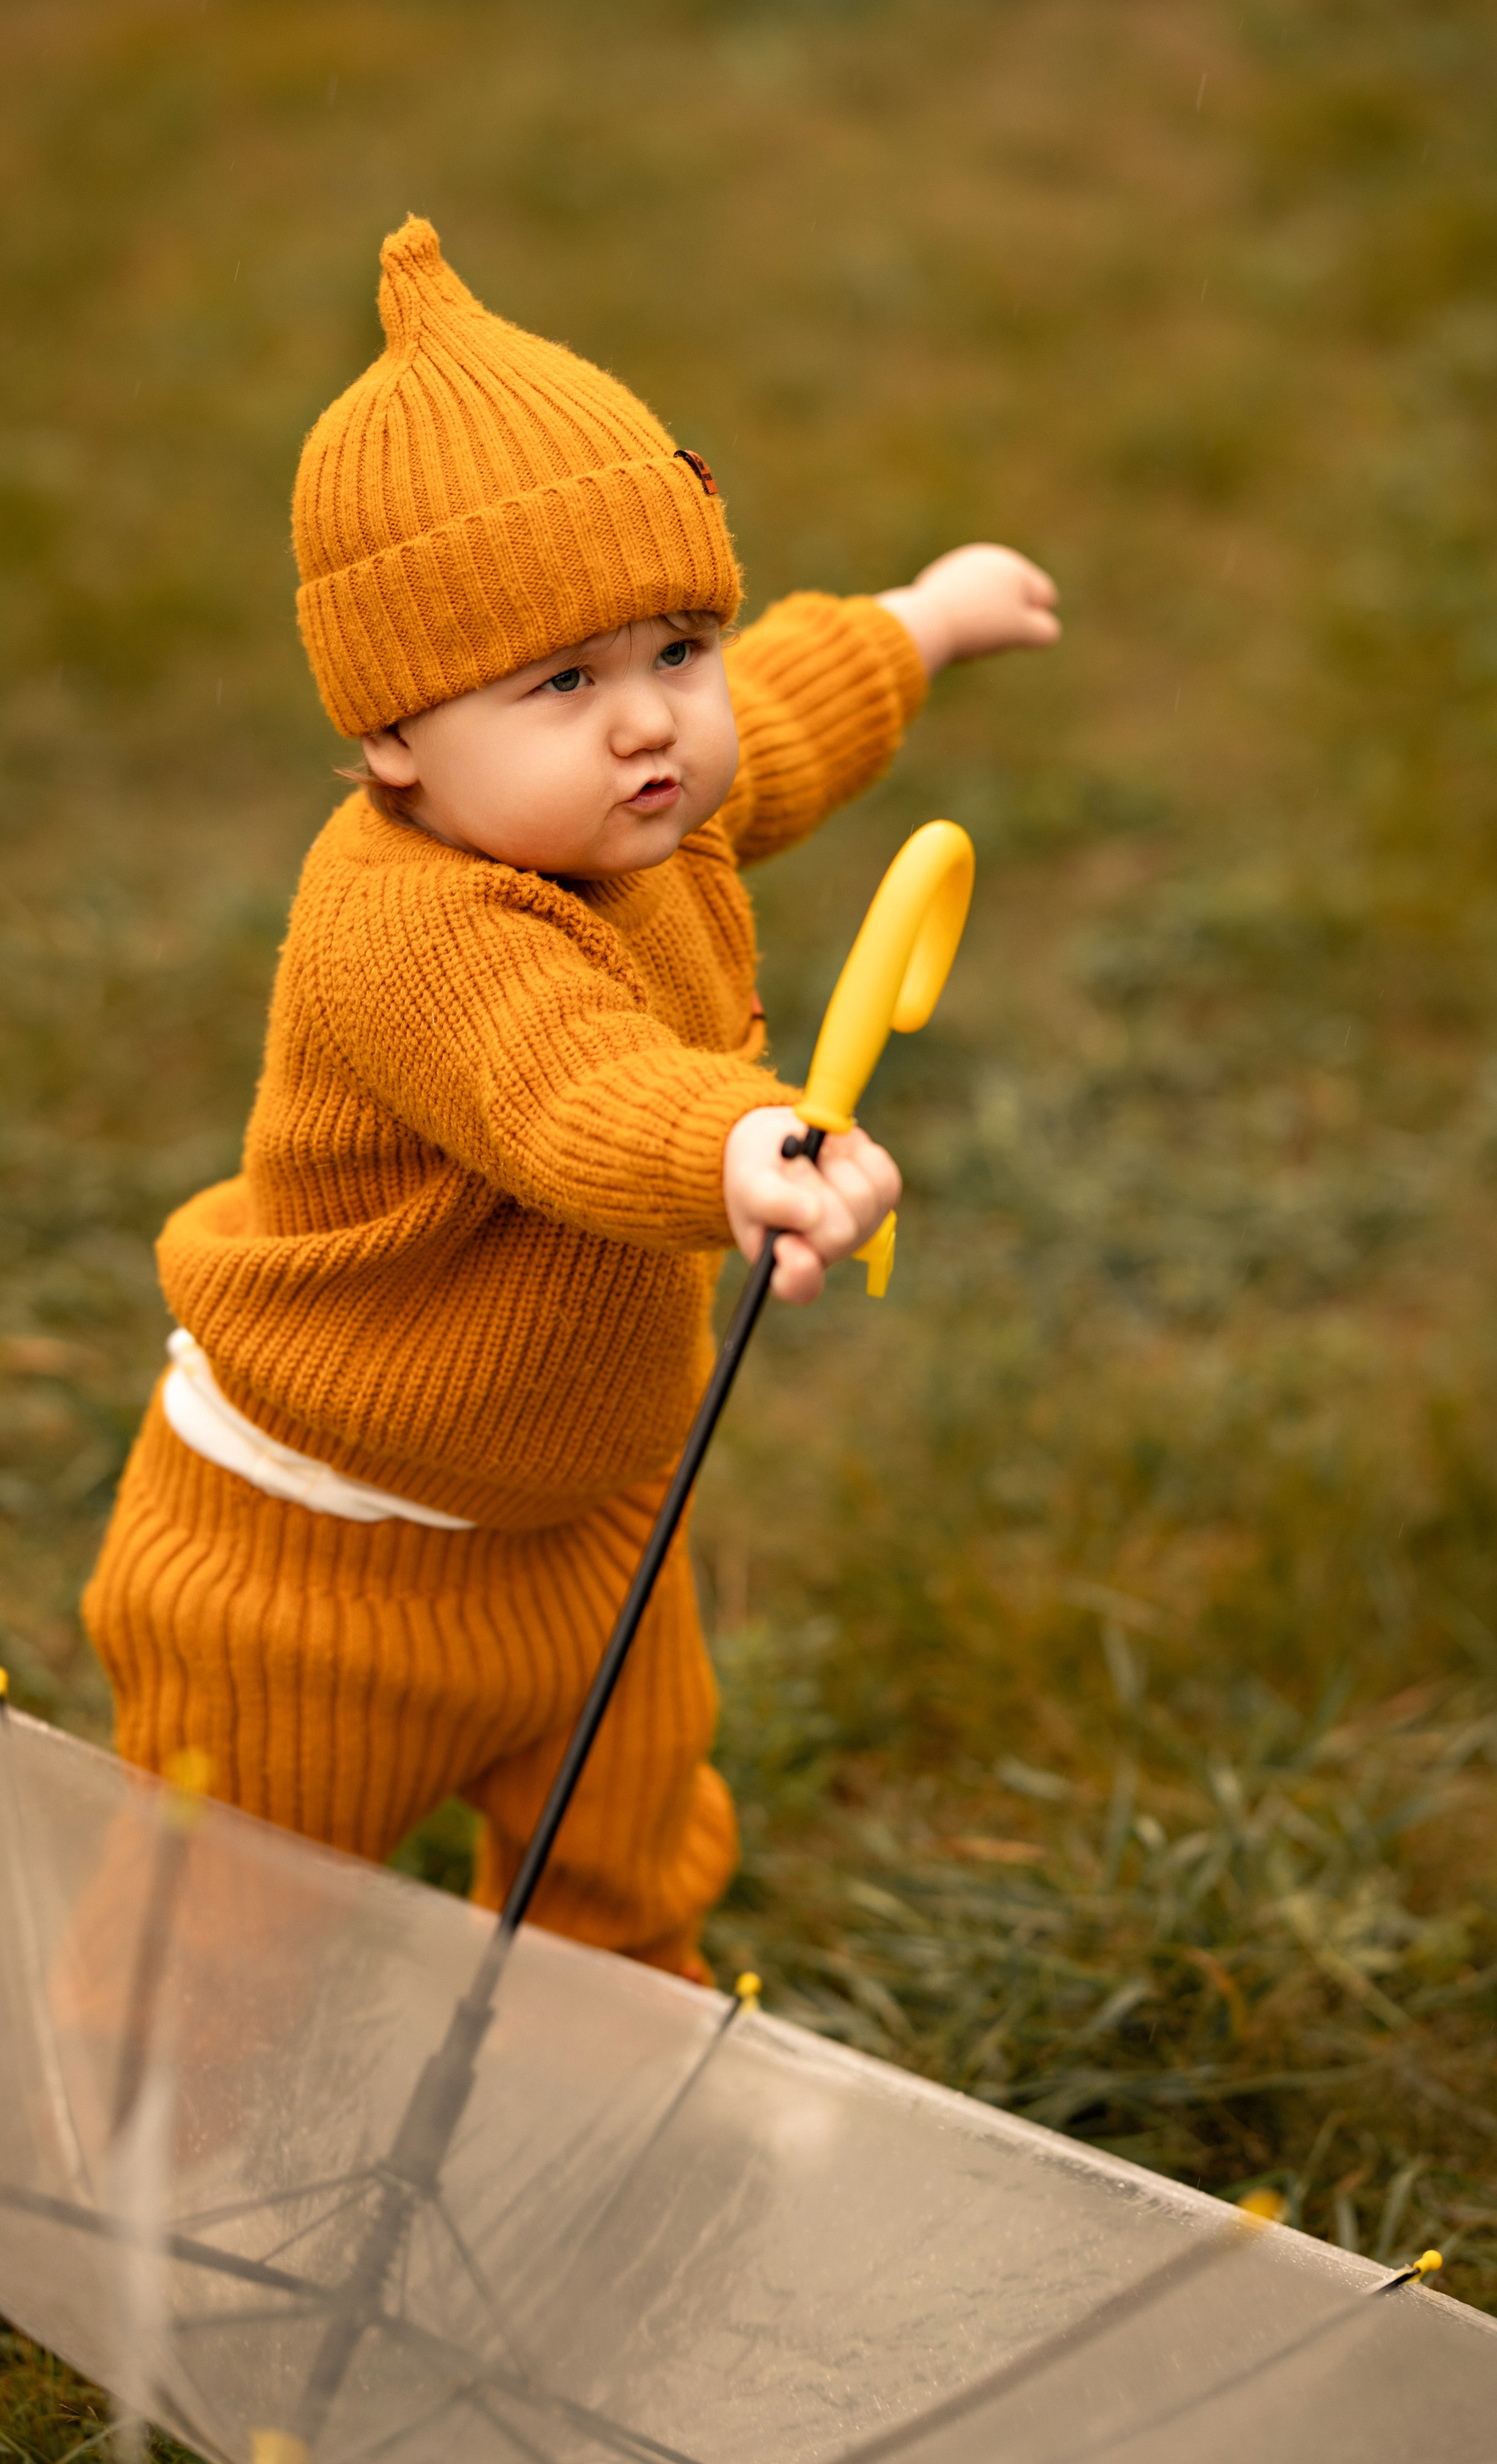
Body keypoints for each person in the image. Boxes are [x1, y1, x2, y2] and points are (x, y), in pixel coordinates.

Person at [82, 216, 1058, 1982]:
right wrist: (741, 1139)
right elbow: (565, 1083)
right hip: (318, 1569)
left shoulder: (636, 807)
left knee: (626, 1865)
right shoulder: (415, 923)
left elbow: (779, 717)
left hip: (587, 1515)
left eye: (674, 646)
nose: (649, 726)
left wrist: (918, 625)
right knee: (220, 1946)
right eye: (564, 683)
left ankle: (612, 2092)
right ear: (393, 739)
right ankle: (156, 2172)